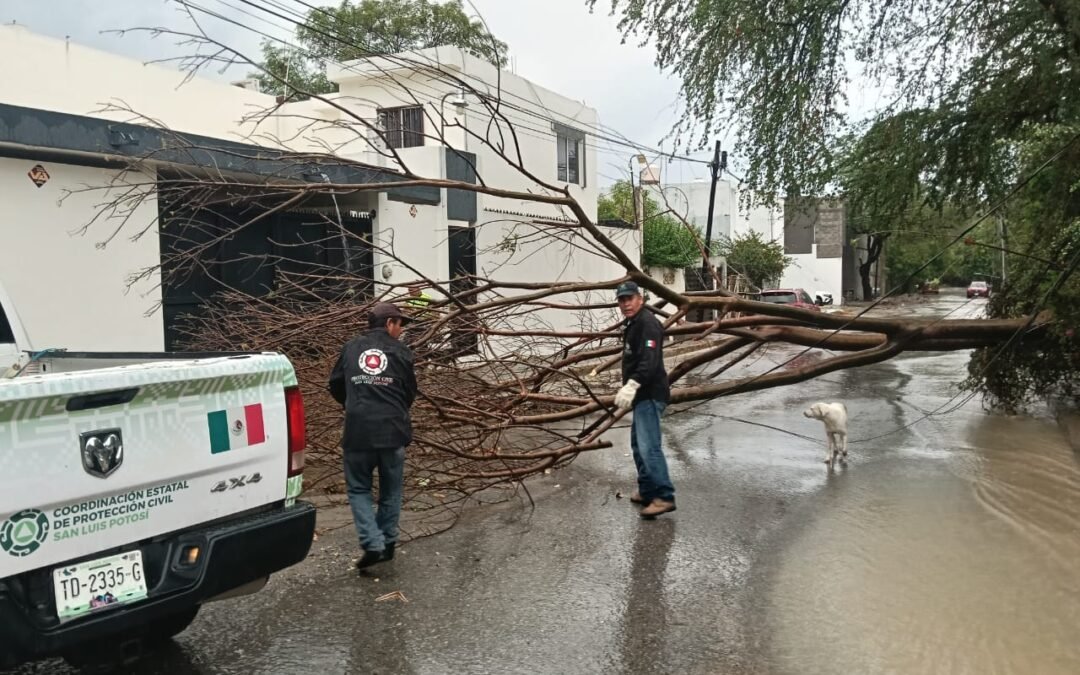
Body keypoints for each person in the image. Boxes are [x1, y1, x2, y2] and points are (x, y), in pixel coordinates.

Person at [329, 302, 418, 569]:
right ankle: (387, 543)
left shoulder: (351, 348)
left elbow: (335, 383)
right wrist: (394, 409)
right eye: (400, 324)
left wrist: (353, 405)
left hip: (358, 431)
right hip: (393, 430)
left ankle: (372, 543)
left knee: (359, 489)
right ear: (389, 323)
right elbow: (409, 392)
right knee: (391, 490)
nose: (401, 330)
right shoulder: (402, 352)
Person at [612, 281, 676, 519]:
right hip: (641, 395)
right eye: (622, 300)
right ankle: (648, 489)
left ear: (640, 299)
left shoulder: (648, 324)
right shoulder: (634, 323)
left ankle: (664, 496)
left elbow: (649, 361)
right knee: (639, 446)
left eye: (629, 299)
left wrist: (632, 384)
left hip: (650, 394)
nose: (626, 304)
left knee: (649, 447)